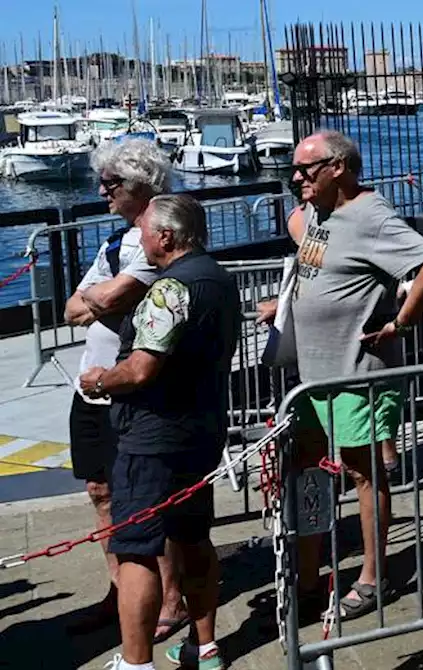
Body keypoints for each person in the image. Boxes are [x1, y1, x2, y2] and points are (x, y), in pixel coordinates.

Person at [288, 131, 423, 621]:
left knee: (364, 474)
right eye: (294, 170)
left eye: (306, 169)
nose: (296, 178)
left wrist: (400, 322)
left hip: (356, 373)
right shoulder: (319, 213)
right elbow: (310, 247)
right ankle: (309, 574)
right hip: (311, 377)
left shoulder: (371, 216)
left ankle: (373, 577)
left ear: (338, 167)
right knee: (307, 472)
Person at [79, 195, 239, 670]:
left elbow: (143, 369)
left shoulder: (171, 289)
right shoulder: (218, 278)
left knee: (136, 551)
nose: (141, 238)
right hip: (202, 429)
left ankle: (134, 662)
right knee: (193, 538)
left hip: (153, 438)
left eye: (145, 230)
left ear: (166, 236)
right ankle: (205, 645)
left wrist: (101, 379)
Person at [61, 140, 188, 642]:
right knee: (100, 491)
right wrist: (103, 297)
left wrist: (102, 296)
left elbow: (113, 294)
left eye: (111, 184)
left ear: (139, 185)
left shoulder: (157, 236)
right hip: (89, 384)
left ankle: (170, 598)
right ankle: (122, 593)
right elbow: (72, 308)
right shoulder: (115, 243)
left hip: (131, 387)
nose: (101, 191)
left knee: (152, 499)